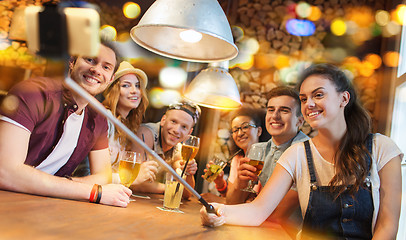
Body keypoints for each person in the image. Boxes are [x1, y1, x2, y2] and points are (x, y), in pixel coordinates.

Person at [200, 64, 403, 239]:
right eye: (304, 99)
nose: (309, 104)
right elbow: (257, 211)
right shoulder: (297, 154)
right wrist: (216, 210)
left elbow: (388, 226)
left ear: (344, 98)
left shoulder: (381, 148)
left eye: (318, 95)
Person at [0, 38, 132, 207]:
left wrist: (67, 186)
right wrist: (92, 192)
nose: (96, 70)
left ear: (111, 78)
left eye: (106, 67)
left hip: (40, 207)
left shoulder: (98, 117)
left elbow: (103, 176)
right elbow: (5, 171)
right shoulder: (33, 94)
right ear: (72, 61)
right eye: (89, 59)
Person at [226, 86, 309, 207]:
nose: (275, 116)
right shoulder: (259, 150)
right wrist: (240, 183)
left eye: (284, 110)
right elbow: (232, 203)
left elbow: (279, 215)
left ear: (300, 121)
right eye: (271, 110)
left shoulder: (306, 152)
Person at [102, 61, 159, 191]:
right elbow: (90, 173)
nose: (135, 91)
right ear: (114, 91)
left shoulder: (128, 125)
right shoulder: (105, 118)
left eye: (137, 86)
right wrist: (133, 176)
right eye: (126, 85)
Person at [137, 100, 201, 199]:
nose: (176, 130)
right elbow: (136, 182)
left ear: (189, 132)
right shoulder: (146, 134)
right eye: (173, 121)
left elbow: (186, 194)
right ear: (163, 120)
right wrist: (171, 188)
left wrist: (188, 172)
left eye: (184, 127)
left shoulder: (178, 149)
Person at [201, 107, 263, 203]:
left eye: (245, 127)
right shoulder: (238, 159)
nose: (239, 133)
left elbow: (257, 203)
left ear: (259, 131)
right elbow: (232, 196)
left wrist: (221, 201)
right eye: (235, 130)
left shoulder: (268, 158)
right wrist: (220, 183)